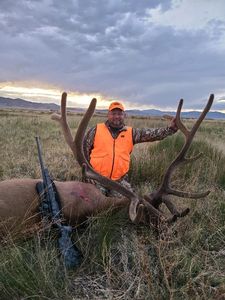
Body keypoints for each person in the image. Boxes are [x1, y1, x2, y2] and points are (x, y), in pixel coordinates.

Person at [83, 101, 178, 196]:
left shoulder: (131, 133)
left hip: (119, 181)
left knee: (129, 203)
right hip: (97, 179)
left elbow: (152, 135)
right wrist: (87, 173)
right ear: (108, 115)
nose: (116, 116)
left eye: (119, 114)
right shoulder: (96, 130)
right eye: (113, 113)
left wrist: (170, 129)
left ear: (124, 115)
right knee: (95, 203)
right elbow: (83, 152)